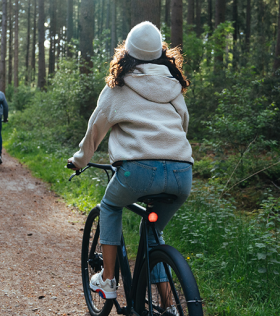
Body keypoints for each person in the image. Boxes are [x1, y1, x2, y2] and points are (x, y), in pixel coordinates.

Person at [68, 21, 193, 300]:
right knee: (153, 231)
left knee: (110, 206)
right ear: (160, 52)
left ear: (128, 52)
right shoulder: (173, 86)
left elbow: (95, 131)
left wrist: (79, 160)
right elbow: (183, 125)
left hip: (137, 171)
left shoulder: (118, 87)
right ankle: (168, 306)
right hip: (182, 172)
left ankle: (109, 280)